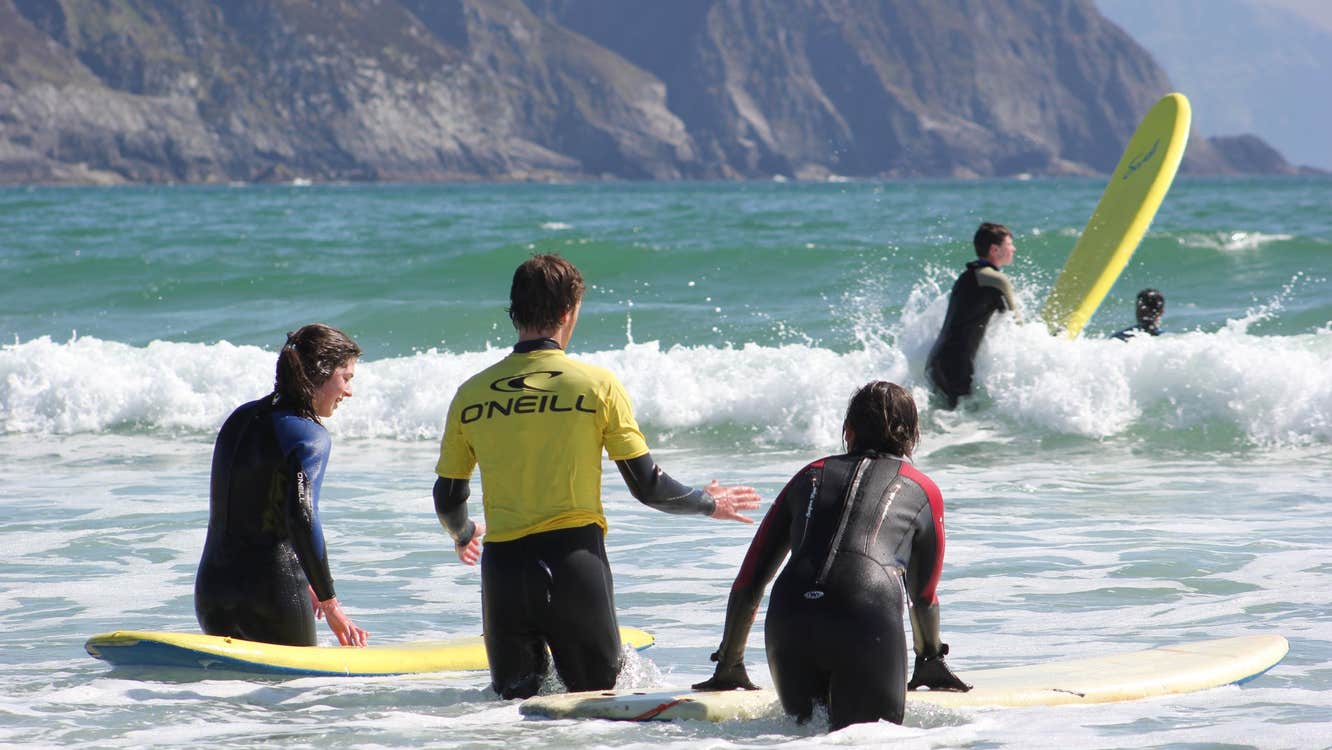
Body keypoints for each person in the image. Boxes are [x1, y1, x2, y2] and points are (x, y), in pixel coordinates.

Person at [433, 253, 762, 700]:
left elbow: (449, 497)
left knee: (513, 715)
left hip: (504, 572)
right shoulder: (595, 386)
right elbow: (648, 485)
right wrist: (708, 502)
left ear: (515, 311)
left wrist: (464, 533)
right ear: (569, 312)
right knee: (601, 709)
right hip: (573, 564)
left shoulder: (471, 394)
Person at [693, 381, 969, 730]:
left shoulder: (809, 475)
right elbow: (924, 596)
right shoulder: (922, 488)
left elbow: (749, 582)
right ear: (912, 436)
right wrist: (929, 658)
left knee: (805, 734)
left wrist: (729, 664)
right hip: (867, 616)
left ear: (849, 431)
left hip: (790, 616)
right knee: (868, 739)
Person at [195, 323, 369, 648]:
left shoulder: (240, 418)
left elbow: (249, 508)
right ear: (321, 372)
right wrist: (331, 603)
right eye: (345, 378)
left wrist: (311, 585)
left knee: (225, 696)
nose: (348, 391)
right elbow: (300, 516)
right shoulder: (308, 434)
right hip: (271, 595)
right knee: (295, 697)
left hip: (213, 591)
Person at [925, 222, 1019, 409]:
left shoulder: (967, 276)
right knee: (961, 425)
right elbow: (1015, 323)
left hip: (937, 361)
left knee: (946, 424)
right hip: (956, 367)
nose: (1013, 249)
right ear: (994, 249)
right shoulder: (996, 280)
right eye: (1009, 244)